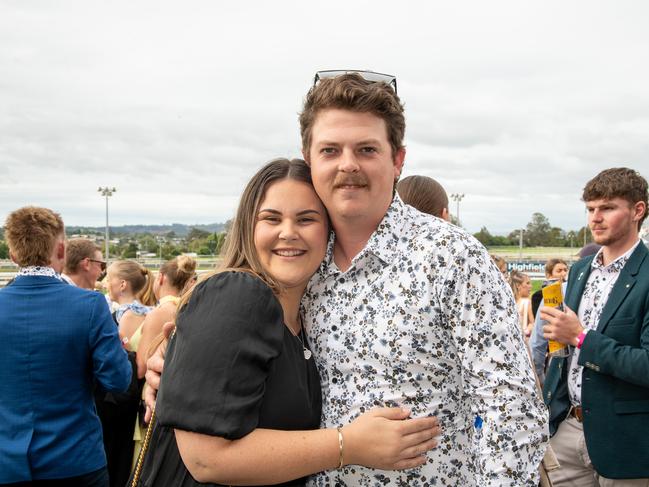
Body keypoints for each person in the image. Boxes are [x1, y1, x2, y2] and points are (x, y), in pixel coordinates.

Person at [146, 73, 547, 485]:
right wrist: (174, 366)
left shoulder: (451, 258)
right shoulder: (301, 263)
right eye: (331, 150)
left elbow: (511, 409)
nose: (348, 164)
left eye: (367, 149)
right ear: (309, 156)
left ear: (398, 160)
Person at [133, 158, 440, 487]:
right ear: (249, 228)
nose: (288, 233)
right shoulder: (240, 293)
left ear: (329, 232)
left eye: (307, 219)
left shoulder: (306, 320)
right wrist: (348, 444)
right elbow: (206, 458)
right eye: (271, 218)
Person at [0, 206, 131, 485]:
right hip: (76, 460)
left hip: (7, 462)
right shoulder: (90, 305)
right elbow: (119, 380)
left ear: (12, 256)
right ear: (61, 251)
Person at [542, 167, 649, 485]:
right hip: (566, 427)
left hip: (624, 439)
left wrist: (579, 336)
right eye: (590, 209)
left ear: (637, 211)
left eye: (607, 208)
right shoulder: (579, 269)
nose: (595, 218)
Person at [131, 255, 197, 465]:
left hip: (151, 400)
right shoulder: (190, 307)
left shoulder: (159, 313)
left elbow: (141, 367)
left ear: (160, 278)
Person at [99, 260, 154, 487]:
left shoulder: (127, 317)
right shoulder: (146, 311)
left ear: (122, 284)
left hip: (122, 400)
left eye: (108, 279)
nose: (104, 284)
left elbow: (123, 361)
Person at [509, 270, 535, 339]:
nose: (531, 286)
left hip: (523, 339)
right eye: (527, 283)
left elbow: (532, 323)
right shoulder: (509, 301)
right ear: (518, 285)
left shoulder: (526, 302)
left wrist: (526, 331)